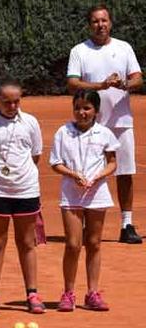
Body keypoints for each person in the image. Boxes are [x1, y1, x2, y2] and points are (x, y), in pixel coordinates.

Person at [66, 4, 143, 244]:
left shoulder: (124, 48)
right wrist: (101, 86)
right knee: (89, 172)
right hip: (91, 125)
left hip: (121, 122)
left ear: (110, 23)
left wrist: (123, 85)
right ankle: (89, 222)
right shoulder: (79, 51)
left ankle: (126, 224)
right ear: (90, 25)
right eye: (96, 21)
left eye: (104, 20)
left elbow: (137, 78)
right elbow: (73, 83)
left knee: (125, 173)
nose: (101, 25)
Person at [0, 79, 45, 315]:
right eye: (7, 102)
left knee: (27, 242)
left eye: (16, 102)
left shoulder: (31, 122)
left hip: (26, 190)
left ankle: (32, 293)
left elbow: (35, 155)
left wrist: (19, 178)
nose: (13, 107)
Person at [49, 90, 118, 312]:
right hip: (71, 193)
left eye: (87, 108)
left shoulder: (105, 133)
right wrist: (73, 175)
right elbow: (55, 163)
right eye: (78, 107)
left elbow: (112, 162)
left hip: (97, 194)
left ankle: (93, 293)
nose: (82, 112)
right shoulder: (63, 132)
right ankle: (68, 293)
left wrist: (98, 176)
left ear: (96, 111)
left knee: (95, 243)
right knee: (72, 244)